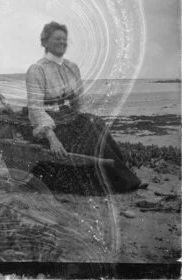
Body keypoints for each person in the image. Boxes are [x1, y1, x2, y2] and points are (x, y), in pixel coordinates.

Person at [25, 21, 146, 194]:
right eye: (57, 39)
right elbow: (35, 108)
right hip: (48, 123)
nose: (62, 42)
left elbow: (77, 101)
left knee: (96, 123)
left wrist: (78, 117)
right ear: (45, 42)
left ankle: (122, 176)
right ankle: (123, 182)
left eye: (64, 39)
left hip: (67, 118)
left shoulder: (71, 68)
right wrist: (52, 138)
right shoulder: (37, 70)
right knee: (89, 131)